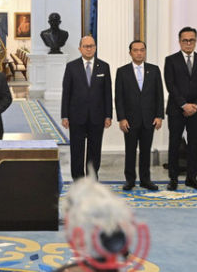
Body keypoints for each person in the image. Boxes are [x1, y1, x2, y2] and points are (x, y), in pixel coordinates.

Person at [164, 27, 197, 191]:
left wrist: (196, 105)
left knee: (193, 144)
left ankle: (192, 178)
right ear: (179, 41)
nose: (188, 43)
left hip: (196, 111)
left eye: (192, 40)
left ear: (196, 41)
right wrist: (184, 104)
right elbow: (171, 85)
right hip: (177, 110)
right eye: (185, 40)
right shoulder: (170, 60)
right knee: (174, 144)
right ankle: (173, 179)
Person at [61, 36, 112, 180]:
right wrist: (64, 115)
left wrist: (108, 115)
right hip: (76, 116)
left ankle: (92, 179)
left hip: (97, 116)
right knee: (77, 150)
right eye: (86, 46)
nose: (89, 49)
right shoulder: (71, 66)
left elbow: (107, 93)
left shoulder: (104, 66)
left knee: (94, 150)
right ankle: (78, 180)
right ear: (80, 48)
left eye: (91, 46)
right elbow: (66, 92)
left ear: (95, 48)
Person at [115, 40, 164, 191]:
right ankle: (130, 180)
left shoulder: (154, 70)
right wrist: (121, 118)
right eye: (135, 50)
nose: (139, 53)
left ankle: (145, 180)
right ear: (130, 52)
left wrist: (159, 116)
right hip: (129, 120)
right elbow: (119, 97)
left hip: (149, 119)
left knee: (145, 151)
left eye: (142, 50)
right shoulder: (122, 71)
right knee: (130, 151)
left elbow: (159, 95)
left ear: (145, 52)